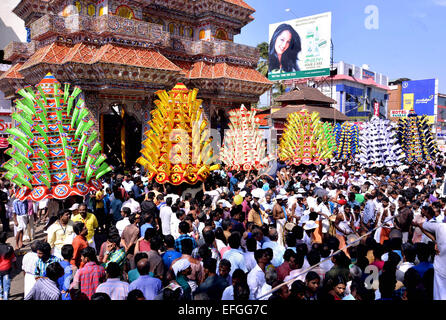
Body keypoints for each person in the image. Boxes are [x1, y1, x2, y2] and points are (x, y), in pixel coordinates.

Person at [0, 232, 15, 300]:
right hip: (6, 269)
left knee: (0, 283)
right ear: (6, 239)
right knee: (6, 285)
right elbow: (13, 259)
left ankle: (0, 295)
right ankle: (5, 297)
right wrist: (15, 266)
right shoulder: (9, 248)